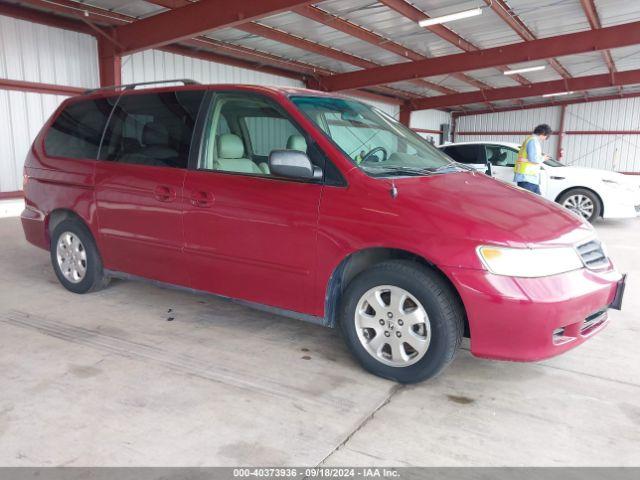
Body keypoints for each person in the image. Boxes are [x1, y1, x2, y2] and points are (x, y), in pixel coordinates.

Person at [513, 124, 552, 194]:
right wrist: (543, 158)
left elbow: (531, 157)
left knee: (536, 201)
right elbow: (534, 159)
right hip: (527, 177)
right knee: (528, 202)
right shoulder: (533, 141)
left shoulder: (530, 139)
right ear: (543, 133)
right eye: (546, 136)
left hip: (529, 177)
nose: (545, 139)